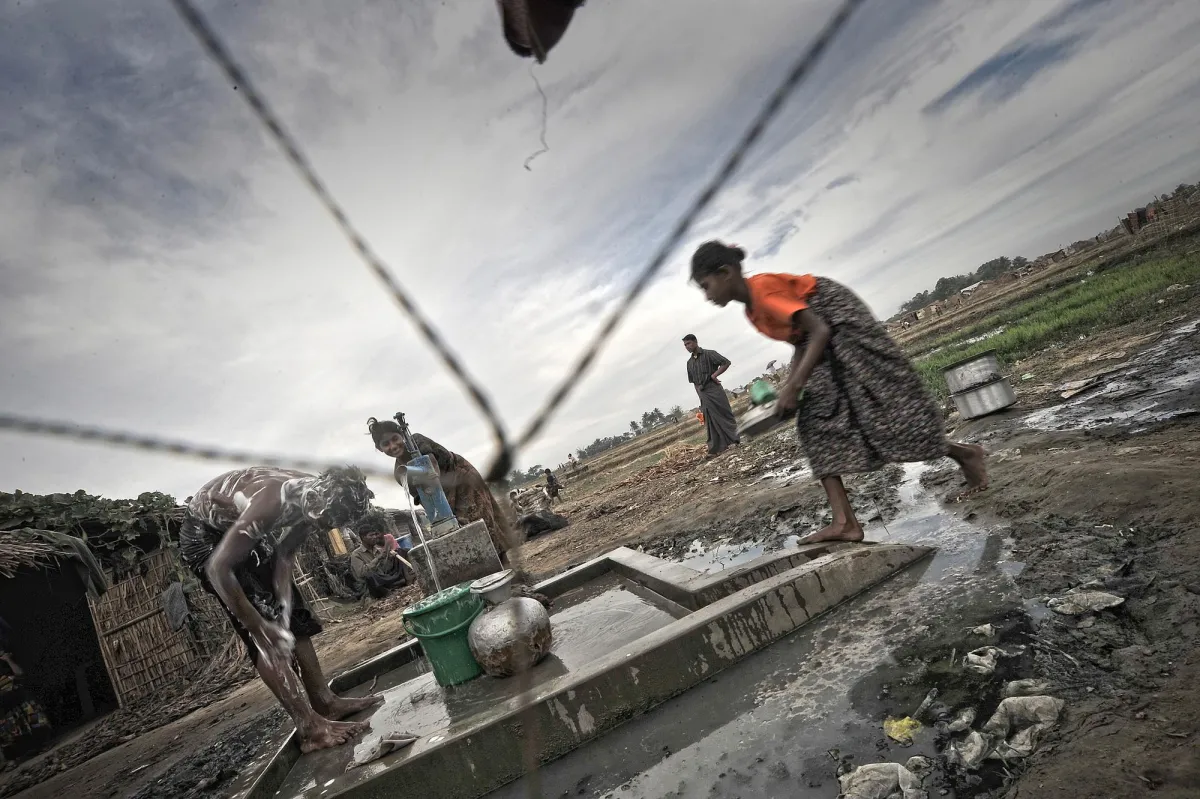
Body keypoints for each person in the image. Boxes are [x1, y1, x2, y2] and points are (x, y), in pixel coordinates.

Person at [689, 241, 988, 543]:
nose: (707, 295)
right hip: (820, 336)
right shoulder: (752, 312)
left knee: (886, 407)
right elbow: (801, 341)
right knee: (816, 424)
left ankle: (965, 453)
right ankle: (845, 522)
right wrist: (788, 389)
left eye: (706, 285)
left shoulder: (763, 292)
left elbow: (819, 329)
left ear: (725, 272)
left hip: (840, 321)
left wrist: (794, 386)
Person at [180, 466, 394, 753]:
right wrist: (261, 626)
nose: (327, 525)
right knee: (262, 623)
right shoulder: (271, 502)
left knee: (293, 615)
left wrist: (283, 607)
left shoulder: (315, 501)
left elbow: (284, 556)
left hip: (241, 523)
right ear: (317, 501)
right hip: (205, 536)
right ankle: (310, 729)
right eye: (327, 520)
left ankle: (325, 702)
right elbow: (219, 569)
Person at [367, 418, 518, 566]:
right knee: (457, 527)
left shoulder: (417, 441)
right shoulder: (399, 473)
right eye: (385, 444)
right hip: (441, 493)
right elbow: (424, 500)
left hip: (460, 476)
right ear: (380, 449)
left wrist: (426, 474)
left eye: (395, 439)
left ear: (402, 435)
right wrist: (440, 521)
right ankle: (484, 565)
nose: (393, 446)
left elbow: (432, 466)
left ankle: (504, 564)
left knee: (479, 518)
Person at [683, 333, 741, 457]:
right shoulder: (689, 363)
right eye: (685, 345)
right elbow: (694, 382)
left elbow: (726, 362)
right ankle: (715, 448)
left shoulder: (709, 354)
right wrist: (700, 396)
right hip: (703, 393)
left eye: (689, 343)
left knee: (724, 414)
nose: (687, 346)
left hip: (714, 388)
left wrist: (714, 375)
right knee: (710, 420)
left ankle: (735, 440)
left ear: (695, 342)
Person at [0, 647, 52, 761]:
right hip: (5, 707)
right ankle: (19, 756)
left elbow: (20, 674)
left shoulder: (5, 663)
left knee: (35, 721)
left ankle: (44, 744)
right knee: (11, 732)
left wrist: (8, 659)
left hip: (20, 699)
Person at [350, 529, 408, 599]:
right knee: (370, 575)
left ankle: (402, 581)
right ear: (363, 538)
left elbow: (385, 569)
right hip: (370, 584)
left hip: (383, 578)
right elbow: (362, 573)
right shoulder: (356, 554)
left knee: (400, 552)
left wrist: (390, 558)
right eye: (371, 535)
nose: (374, 537)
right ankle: (388, 589)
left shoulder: (378, 550)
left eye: (375, 534)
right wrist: (378, 558)